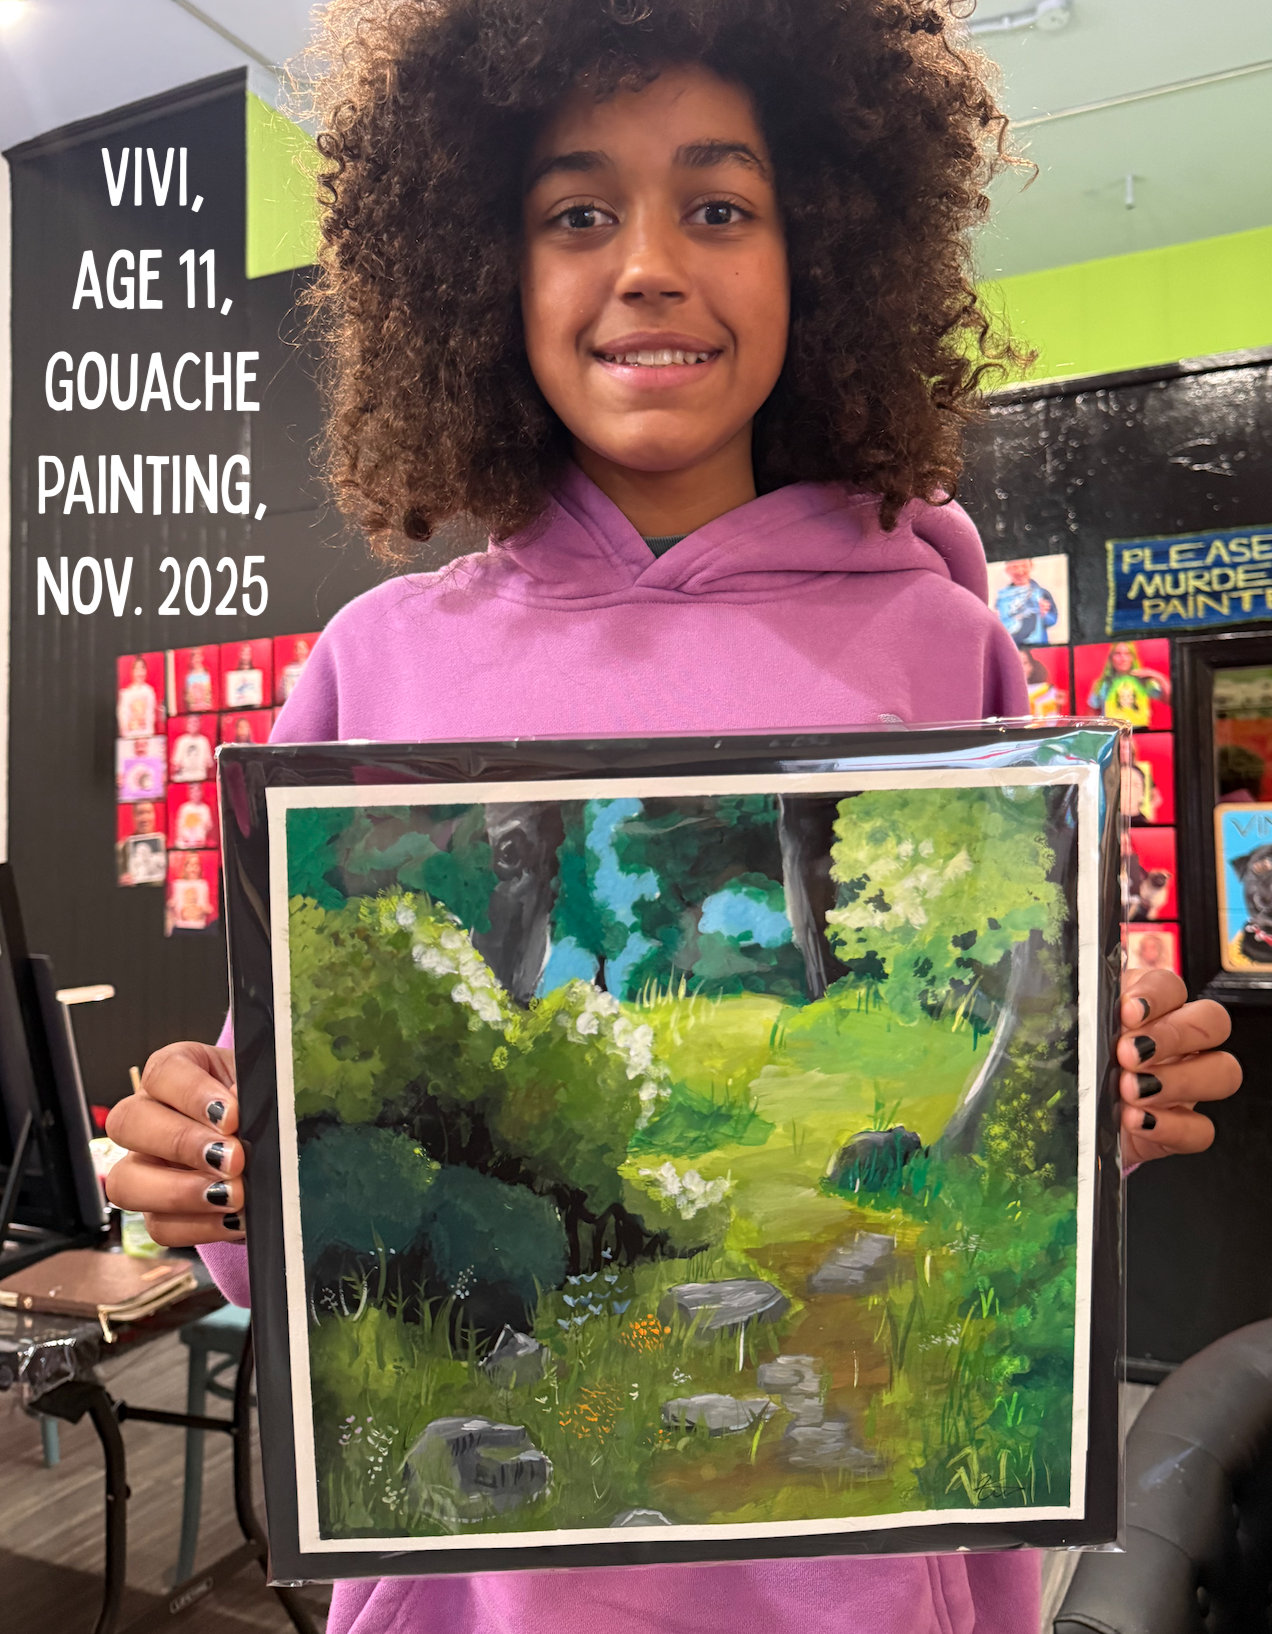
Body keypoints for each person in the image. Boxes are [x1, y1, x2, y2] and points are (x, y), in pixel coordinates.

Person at [103, 7, 1240, 1634]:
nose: (645, 265)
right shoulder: (382, 661)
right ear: (482, 266)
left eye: (718, 204)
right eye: (577, 212)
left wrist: (1105, 1095)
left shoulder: (941, 646)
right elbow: (271, 1212)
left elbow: (1012, 1144)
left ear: (821, 250)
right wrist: (212, 1166)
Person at [1087, 641, 1170, 727]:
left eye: (1127, 654)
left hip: (1139, 731)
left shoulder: (1143, 680)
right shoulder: (1103, 684)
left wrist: (1158, 676)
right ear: (1111, 658)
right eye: (1118, 654)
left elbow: (1170, 699)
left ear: (1133, 657)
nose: (1123, 658)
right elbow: (1092, 714)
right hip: (1113, 732)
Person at [994, 558, 1057, 645]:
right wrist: (994, 620)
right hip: (1012, 647)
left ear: (1031, 566)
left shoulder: (1042, 593)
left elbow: (1053, 620)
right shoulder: (1002, 598)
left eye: (1024, 566)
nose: (1020, 572)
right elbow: (1001, 625)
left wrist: (1044, 614)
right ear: (1007, 570)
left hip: (1037, 646)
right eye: (1015, 567)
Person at [167, 852, 214, 932]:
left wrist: (206, 910)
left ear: (200, 868)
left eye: (196, 865)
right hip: (181, 926)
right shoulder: (178, 884)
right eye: (190, 864)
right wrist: (170, 905)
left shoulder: (203, 884)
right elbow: (173, 902)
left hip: (199, 927)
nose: (193, 868)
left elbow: (206, 905)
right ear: (185, 867)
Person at [1017, 644, 1063, 720]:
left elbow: (1050, 721)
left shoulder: (1046, 690)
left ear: (1031, 666)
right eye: (1015, 663)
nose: (1020, 668)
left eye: (1025, 663)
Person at [117, 656, 159, 739]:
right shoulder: (126, 693)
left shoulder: (149, 691)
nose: (140, 674)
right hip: (130, 735)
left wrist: (147, 735)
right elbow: (123, 715)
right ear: (132, 672)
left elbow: (151, 715)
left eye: (142, 669)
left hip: (146, 734)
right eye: (136, 670)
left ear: (146, 671)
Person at [170, 716, 215, 783]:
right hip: (184, 776)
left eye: (195, 722)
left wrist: (207, 763)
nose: (193, 725)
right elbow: (176, 763)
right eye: (190, 723)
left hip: (200, 776)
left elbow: (209, 763)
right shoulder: (181, 741)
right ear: (186, 725)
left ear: (199, 724)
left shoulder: (204, 741)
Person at [173, 784, 214, 850]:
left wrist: (205, 826)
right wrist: (185, 837)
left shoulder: (205, 808)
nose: (196, 794)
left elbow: (208, 826)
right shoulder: (184, 808)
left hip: (199, 840)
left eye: (197, 791)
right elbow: (179, 826)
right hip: (185, 840)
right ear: (189, 794)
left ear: (201, 793)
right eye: (193, 792)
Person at [224, 644, 264, 709]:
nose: (245, 657)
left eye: (248, 653)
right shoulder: (233, 677)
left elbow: (258, 698)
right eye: (243, 653)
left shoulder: (256, 674)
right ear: (240, 655)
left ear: (251, 655)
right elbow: (231, 700)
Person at [277, 637, 312, 702]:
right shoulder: (288, 670)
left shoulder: (313, 667)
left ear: (308, 650)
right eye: (297, 649)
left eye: (302, 649)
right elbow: (282, 694)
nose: (300, 652)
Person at [183, 647, 214, 712]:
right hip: (194, 710)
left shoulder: (206, 674)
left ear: (202, 658)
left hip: (206, 709)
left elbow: (209, 693)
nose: (196, 660)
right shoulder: (189, 677)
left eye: (198, 657)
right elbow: (188, 697)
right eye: (194, 658)